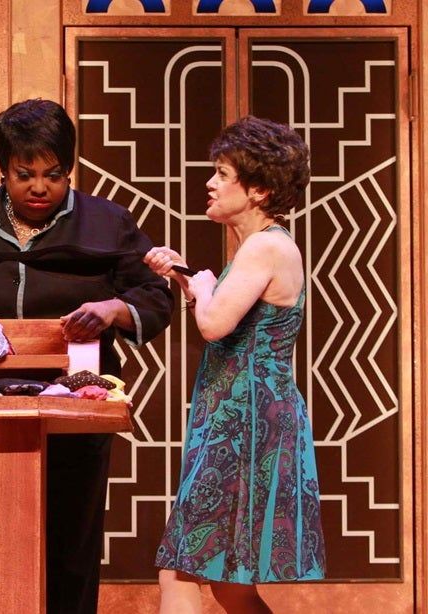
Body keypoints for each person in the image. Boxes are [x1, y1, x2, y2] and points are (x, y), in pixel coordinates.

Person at [0, 98, 173, 613]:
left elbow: (156, 296)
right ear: (4, 169)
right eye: (25, 175)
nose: (40, 188)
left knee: (71, 540)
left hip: (75, 403)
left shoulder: (107, 221)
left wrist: (114, 308)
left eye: (54, 175)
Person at [145, 116, 326, 613]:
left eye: (223, 174)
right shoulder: (264, 245)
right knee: (229, 582)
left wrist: (202, 287)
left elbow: (213, 325)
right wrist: (188, 281)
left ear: (259, 190)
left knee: (181, 568)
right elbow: (223, 319)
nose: (210, 183)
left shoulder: (265, 246)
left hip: (244, 424)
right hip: (243, 416)